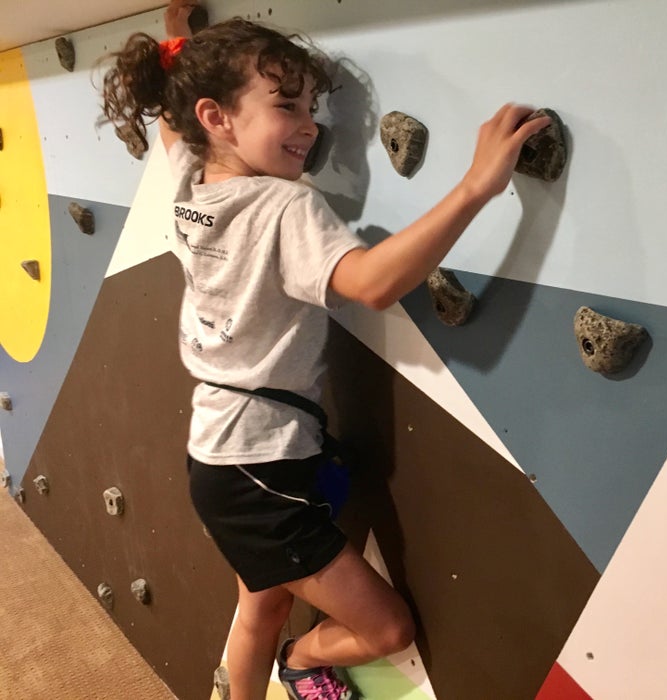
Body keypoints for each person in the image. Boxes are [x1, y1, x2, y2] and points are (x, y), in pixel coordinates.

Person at [99, 2, 550, 699]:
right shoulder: (284, 208)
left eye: (311, 105)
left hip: (223, 455)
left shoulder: (190, 184)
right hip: (260, 468)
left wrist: (181, 40)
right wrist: (475, 187)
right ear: (217, 117)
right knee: (386, 630)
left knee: (261, 603)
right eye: (286, 104)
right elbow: (370, 284)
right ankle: (305, 661)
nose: (309, 124)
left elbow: (174, 120)